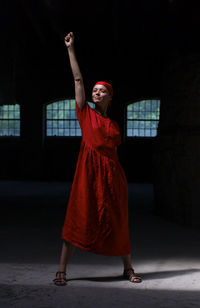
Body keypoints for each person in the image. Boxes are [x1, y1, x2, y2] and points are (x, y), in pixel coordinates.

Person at [53, 32, 142, 286]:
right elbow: (78, 79)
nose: (96, 93)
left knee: (118, 220)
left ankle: (127, 268)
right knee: (77, 215)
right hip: (87, 174)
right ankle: (62, 269)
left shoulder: (113, 123)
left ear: (110, 98)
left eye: (102, 91)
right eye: (95, 90)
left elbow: (112, 152)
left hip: (113, 177)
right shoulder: (85, 114)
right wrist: (71, 49)